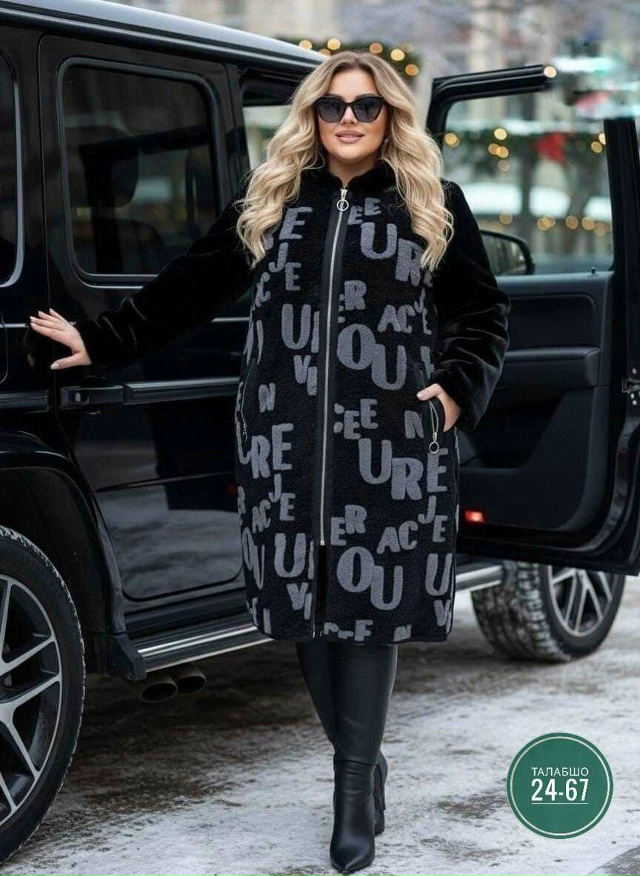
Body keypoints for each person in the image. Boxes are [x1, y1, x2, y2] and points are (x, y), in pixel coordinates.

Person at [27, 50, 510, 874]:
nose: (349, 119)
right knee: (303, 612)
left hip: (389, 445)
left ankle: (352, 789)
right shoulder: (273, 199)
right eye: (333, 106)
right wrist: (99, 339)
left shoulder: (432, 202)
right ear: (312, 116)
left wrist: (455, 394)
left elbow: (483, 313)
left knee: (367, 610)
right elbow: (186, 290)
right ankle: (361, 762)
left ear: (390, 116)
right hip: (285, 443)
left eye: (365, 106)